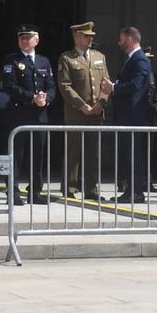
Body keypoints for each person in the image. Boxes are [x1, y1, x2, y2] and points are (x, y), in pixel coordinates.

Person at [0, 26, 56, 204]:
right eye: (21, 38)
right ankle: (12, 191)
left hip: (40, 115)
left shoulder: (44, 62)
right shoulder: (11, 60)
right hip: (18, 114)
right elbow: (9, 86)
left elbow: (52, 85)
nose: (24, 41)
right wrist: (32, 98)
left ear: (36, 41)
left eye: (28, 38)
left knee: (37, 155)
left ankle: (35, 191)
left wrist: (46, 99)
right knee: (15, 154)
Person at [56, 22, 113, 201]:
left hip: (96, 113)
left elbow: (106, 84)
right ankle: (70, 188)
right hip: (76, 113)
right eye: (87, 36)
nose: (91, 39)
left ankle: (91, 189)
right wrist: (82, 106)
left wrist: (100, 104)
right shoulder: (67, 58)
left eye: (92, 36)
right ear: (77, 37)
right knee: (73, 151)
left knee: (93, 152)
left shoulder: (99, 57)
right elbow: (65, 86)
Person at [110, 25, 154, 203]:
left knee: (134, 154)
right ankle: (130, 191)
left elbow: (136, 84)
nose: (119, 42)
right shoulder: (130, 59)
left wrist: (113, 88)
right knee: (128, 154)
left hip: (133, 115)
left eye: (120, 38)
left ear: (129, 38)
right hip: (127, 115)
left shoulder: (140, 59)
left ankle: (136, 192)